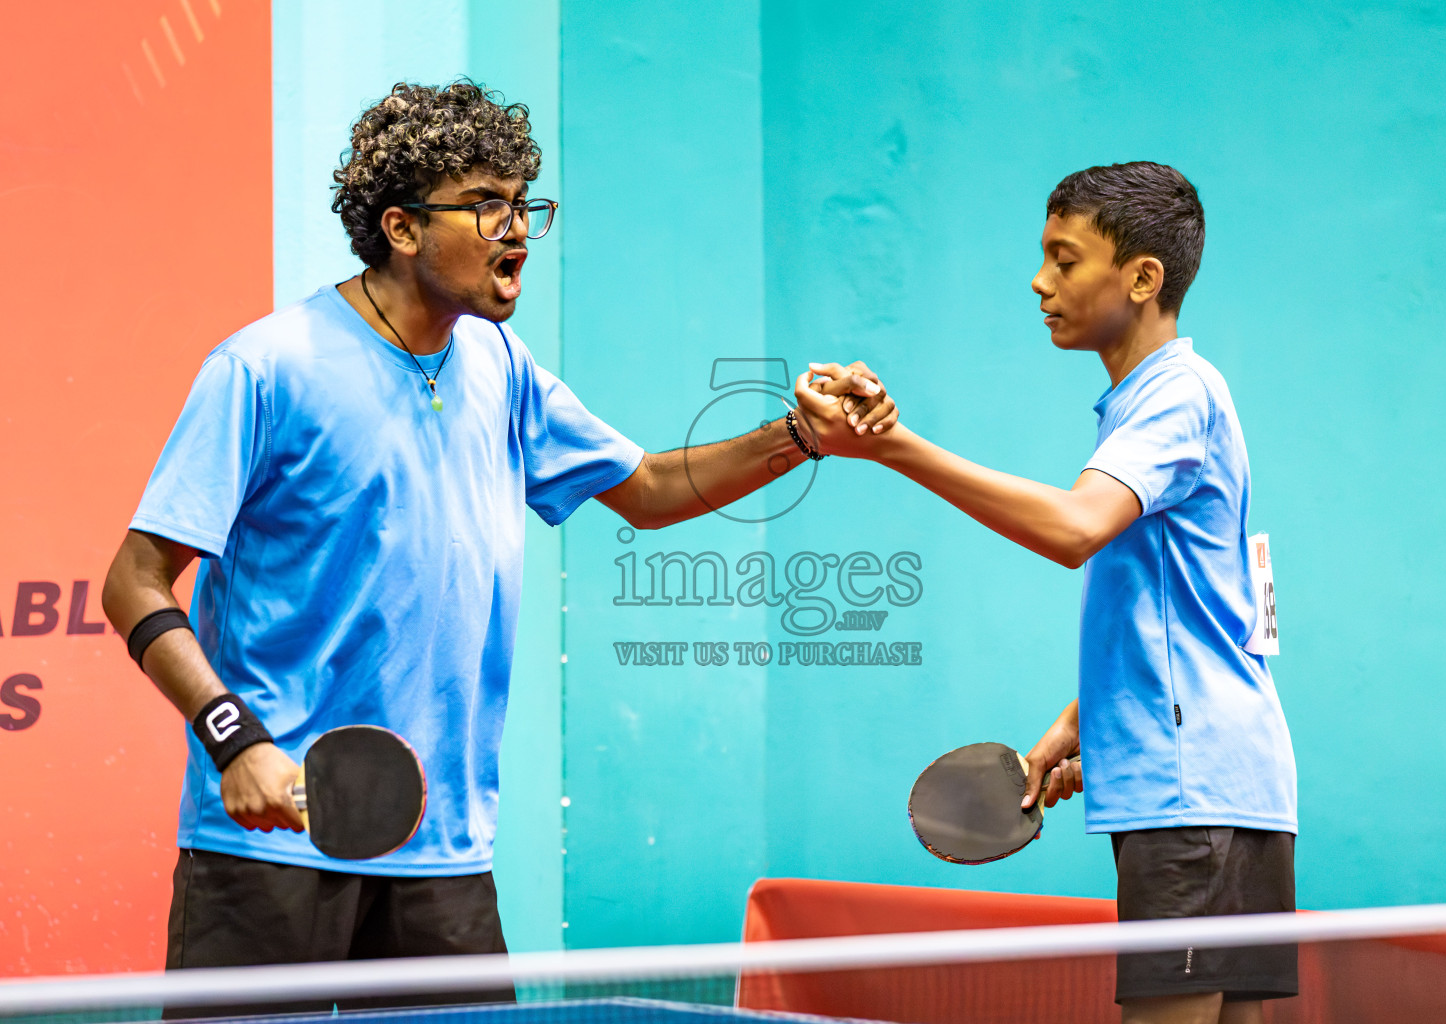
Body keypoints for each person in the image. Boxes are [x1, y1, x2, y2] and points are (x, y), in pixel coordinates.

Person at [100, 80, 890, 992]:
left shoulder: (502, 366)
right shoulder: (264, 369)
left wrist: (801, 437)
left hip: (443, 858)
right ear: (400, 228)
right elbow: (135, 581)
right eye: (484, 208)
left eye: (522, 207)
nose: (516, 230)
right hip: (269, 848)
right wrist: (236, 740)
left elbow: (650, 489)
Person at [796, 162, 1297, 1024]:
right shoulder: (1162, 401)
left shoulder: (1174, 392)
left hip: (1192, 798)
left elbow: (1072, 529)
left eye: (1066, 260)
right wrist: (1087, 718)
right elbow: (1204, 608)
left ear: (1142, 278)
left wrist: (893, 448)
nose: (1041, 281)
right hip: (1232, 783)